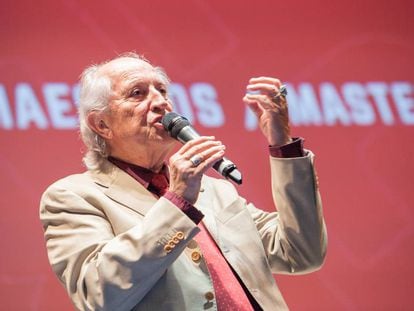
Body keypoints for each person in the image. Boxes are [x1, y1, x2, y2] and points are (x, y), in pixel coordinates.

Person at [39, 52, 327, 311]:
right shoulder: (72, 196)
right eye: (137, 93)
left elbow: (301, 252)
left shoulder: (215, 190)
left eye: (162, 91)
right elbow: (100, 294)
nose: (161, 102)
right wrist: (177, 203)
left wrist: (283, 146)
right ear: (101, 124)